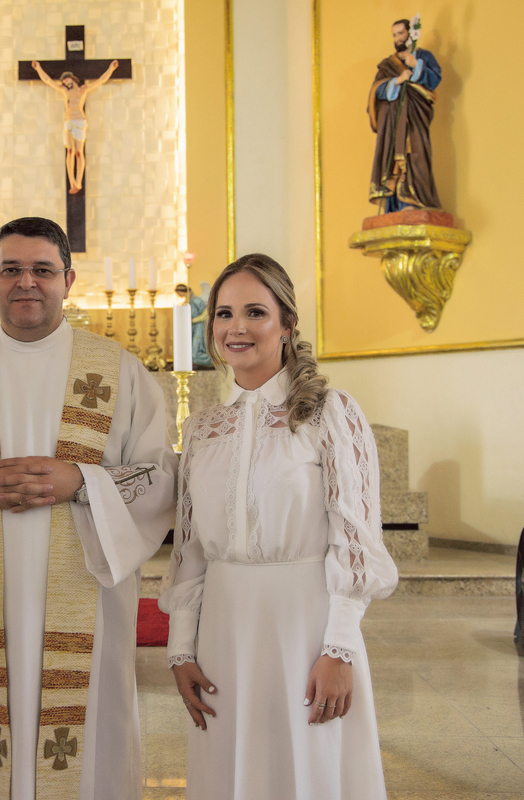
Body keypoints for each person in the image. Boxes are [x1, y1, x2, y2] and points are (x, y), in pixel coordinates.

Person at [0, 217, 177, 800]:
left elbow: (160, 477)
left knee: (87, 736)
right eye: (11, 269)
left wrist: (82, 481)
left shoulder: (119, 372)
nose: (26, 282)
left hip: (86, 592)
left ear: (69, 279)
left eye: (42, 270)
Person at [160, 254, 398, 799]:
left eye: (254, 312)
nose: (235, 327)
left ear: (287, 325)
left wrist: (339, 649)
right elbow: (190, 552)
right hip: (224, 630)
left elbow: (355, 541)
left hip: (305, 629)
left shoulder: (331, 413)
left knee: (310, 767)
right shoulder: (201, 429)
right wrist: (181, 649)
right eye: (223, 314)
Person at [368, 18, 442, 213]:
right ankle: (394, 204)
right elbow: (376, 93)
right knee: (392, 158)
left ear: (410, 33)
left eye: (400, 33)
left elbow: (434, 79)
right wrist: (398, 81)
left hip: (415, 117)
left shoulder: (423, 56)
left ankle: (415, 199)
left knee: (416, 154)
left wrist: (417, 66)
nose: (397, 38)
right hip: (393, 121)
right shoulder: (387, 65)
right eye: (394, 35)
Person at [31, 60, 120, 194]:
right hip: (68, 122)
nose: (66, 82)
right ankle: (72, 181)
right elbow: (48, 80)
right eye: (64, 81)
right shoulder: (63, 91)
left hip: (80, 123)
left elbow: (101, 80)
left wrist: (111, 69)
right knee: (70, 152)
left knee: (79, 153)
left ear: (73, 79)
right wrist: (38, 68)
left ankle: (78, 181)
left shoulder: (84, 89)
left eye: (67, 79)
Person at [175, 283, 212, 369]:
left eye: (178, 293)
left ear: (182, 292)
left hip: (198, 326)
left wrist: (193, 320)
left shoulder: (196, 300)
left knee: (197, 345)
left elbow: (206, 314)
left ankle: (202, 360)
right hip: (191, 327)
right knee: (189, 346)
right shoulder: (188, 301)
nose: (178, 295)